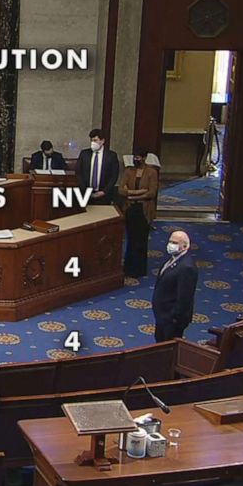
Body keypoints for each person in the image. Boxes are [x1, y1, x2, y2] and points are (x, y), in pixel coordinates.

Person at [152, 230, 198, 342]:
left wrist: (173, 318)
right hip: (162, 315)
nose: (171, 245)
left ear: (185, 246)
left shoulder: (187, 267)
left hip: (171, 319)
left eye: (175, 243)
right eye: (170, 241)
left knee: (168, 349)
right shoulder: (174, 259)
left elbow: (184, 297)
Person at [120, 149, 160, 278]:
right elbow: (121, 190)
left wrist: (131, 193)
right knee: (131, 239)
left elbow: (151, 193)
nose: (136, 159)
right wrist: (138, 193)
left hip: (144, 210)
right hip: (130, 208)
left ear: (144, 158)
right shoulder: (129, 171)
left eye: (138, 157)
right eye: (134, 157)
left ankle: (139, 269)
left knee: (141, 240)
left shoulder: (151, 172)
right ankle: (128, 268)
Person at [76, 128, 119, 205]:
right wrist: (85, 190)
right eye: (91, 140)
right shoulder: (84, 154)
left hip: (104, 195)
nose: (93, 143)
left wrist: (104, 191)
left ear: (102, 141)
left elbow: (114, 176)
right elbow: (78, 173)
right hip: (86, 194)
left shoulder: (111, 156)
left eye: (95, 140)